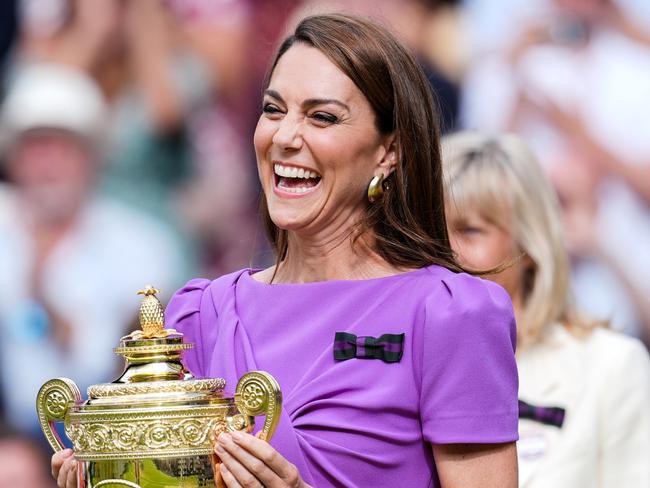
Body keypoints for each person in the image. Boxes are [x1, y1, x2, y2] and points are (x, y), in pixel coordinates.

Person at [53, 14, 519, 487]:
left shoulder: (450, 314)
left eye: (322, 117)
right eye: (274, 110)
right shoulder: (199, 316)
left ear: (389, 151)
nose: (284, 137)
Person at [442, 131, 650, 487]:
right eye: (432, 230)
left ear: (529, 244)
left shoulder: (611, 365)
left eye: (470, 230)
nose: (445, 251)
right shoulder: (403, 363)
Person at [0, 63, 187, 434]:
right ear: (14, 160)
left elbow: (116, 370)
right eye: (36, 149)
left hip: (106, 434)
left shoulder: (143, 245)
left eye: (63, 149)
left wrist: (45, 299)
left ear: (92, 159)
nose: (48, 167)